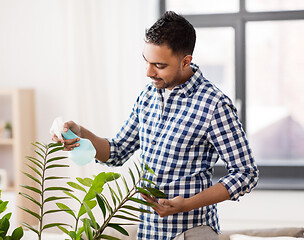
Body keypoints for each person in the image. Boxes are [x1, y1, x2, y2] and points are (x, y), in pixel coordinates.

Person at [52, 11, 259, 240]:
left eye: (159, 65)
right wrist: (82, 134)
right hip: (150, 232)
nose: (149, 72)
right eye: (147, 61)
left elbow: (246, 173)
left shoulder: (213, 105)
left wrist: (186, 204)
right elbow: (117, 151)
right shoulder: (148, 96)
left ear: (186, 61)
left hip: (191, 232)